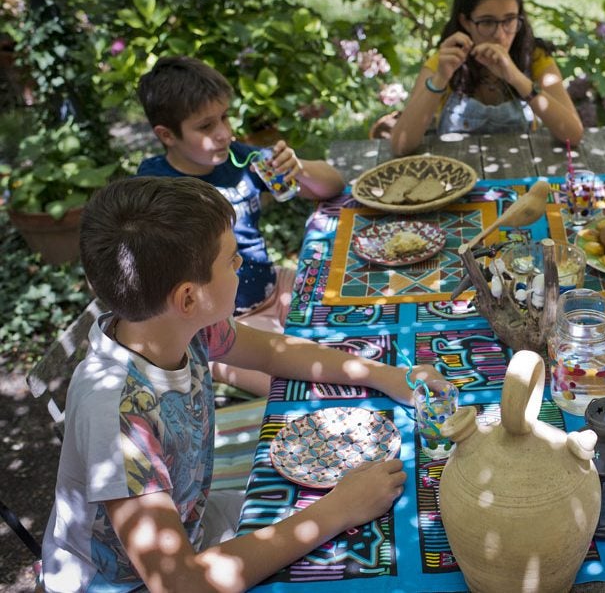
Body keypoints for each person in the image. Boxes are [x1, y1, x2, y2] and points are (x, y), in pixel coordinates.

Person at [40, 176, 442, 592]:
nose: (242, 266)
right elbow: (182, 585)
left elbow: (272, 351)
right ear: (188, 298)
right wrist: (339, 510)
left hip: (193, 526)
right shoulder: (116, 416)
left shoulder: (177, 326)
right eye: (232, 260)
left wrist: (386, 375)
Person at [137, 55, 346, 394]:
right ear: (167, 135)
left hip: (274, 287)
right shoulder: (154, 187)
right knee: (299, 386)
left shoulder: (238, 159)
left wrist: (298, 168)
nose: (224, 133)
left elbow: (333, 186)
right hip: (225, 328)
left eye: (225, 117)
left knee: (350, 328)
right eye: (206, 126)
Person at [390, 0, 583, 156]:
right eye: (487, 23)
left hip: (522, 172)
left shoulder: (533, 57)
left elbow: (573, 135)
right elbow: (400, 145)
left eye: (509, 20)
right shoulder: (447, 61)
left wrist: (517, 78)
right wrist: (440, 78)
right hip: (457, 174)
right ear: (465, 22)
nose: (500, 35)